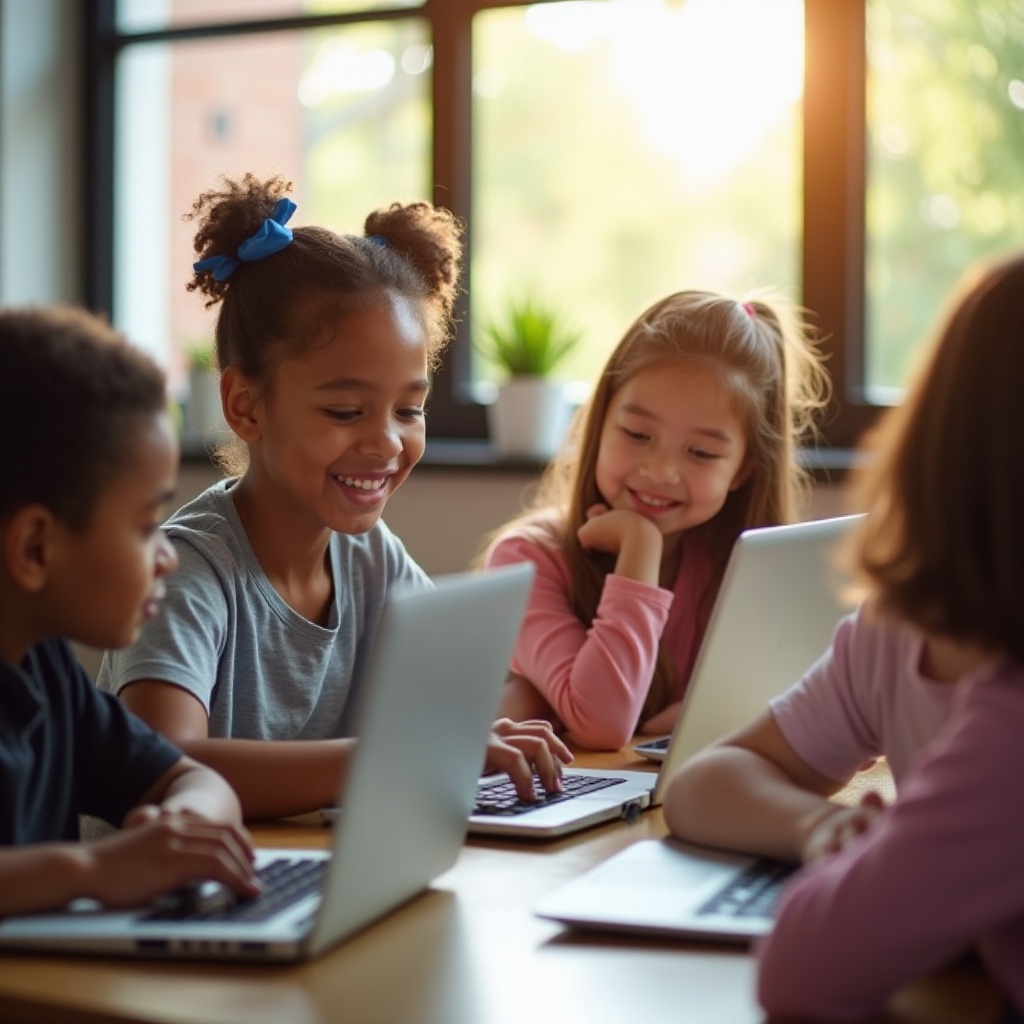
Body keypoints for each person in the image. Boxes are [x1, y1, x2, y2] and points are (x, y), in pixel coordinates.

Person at [98, 172, 570, 822]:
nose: (385, 443)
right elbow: (159, 764)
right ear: (246, 405)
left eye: (409, 409)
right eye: (346, 411)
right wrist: (402, 754)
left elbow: (467, 701)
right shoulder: (185, 571)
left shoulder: (373, 558)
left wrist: (494, 724)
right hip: (161, 910)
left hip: (299, 882)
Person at [665, 255, 1024, 1018]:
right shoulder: (895, 635)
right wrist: (826, 827)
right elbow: (701, 783)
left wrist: (889, 862)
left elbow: (800, 973)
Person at [478, 290, 829, 750]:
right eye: (637, 434)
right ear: (600, 423)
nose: (661, 471)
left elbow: (826, 708)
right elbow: (601, 724)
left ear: (743, 468)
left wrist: (716, 716)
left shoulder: (740, 568)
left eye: (701, 452)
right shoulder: (525, 560)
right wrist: (639, 547)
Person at [0, 306, 261, 918]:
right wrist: (90, 869)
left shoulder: (45, 669)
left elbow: (197, 781)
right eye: (147, 527)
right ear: (36, 548)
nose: (166, 555)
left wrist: (178, 832)